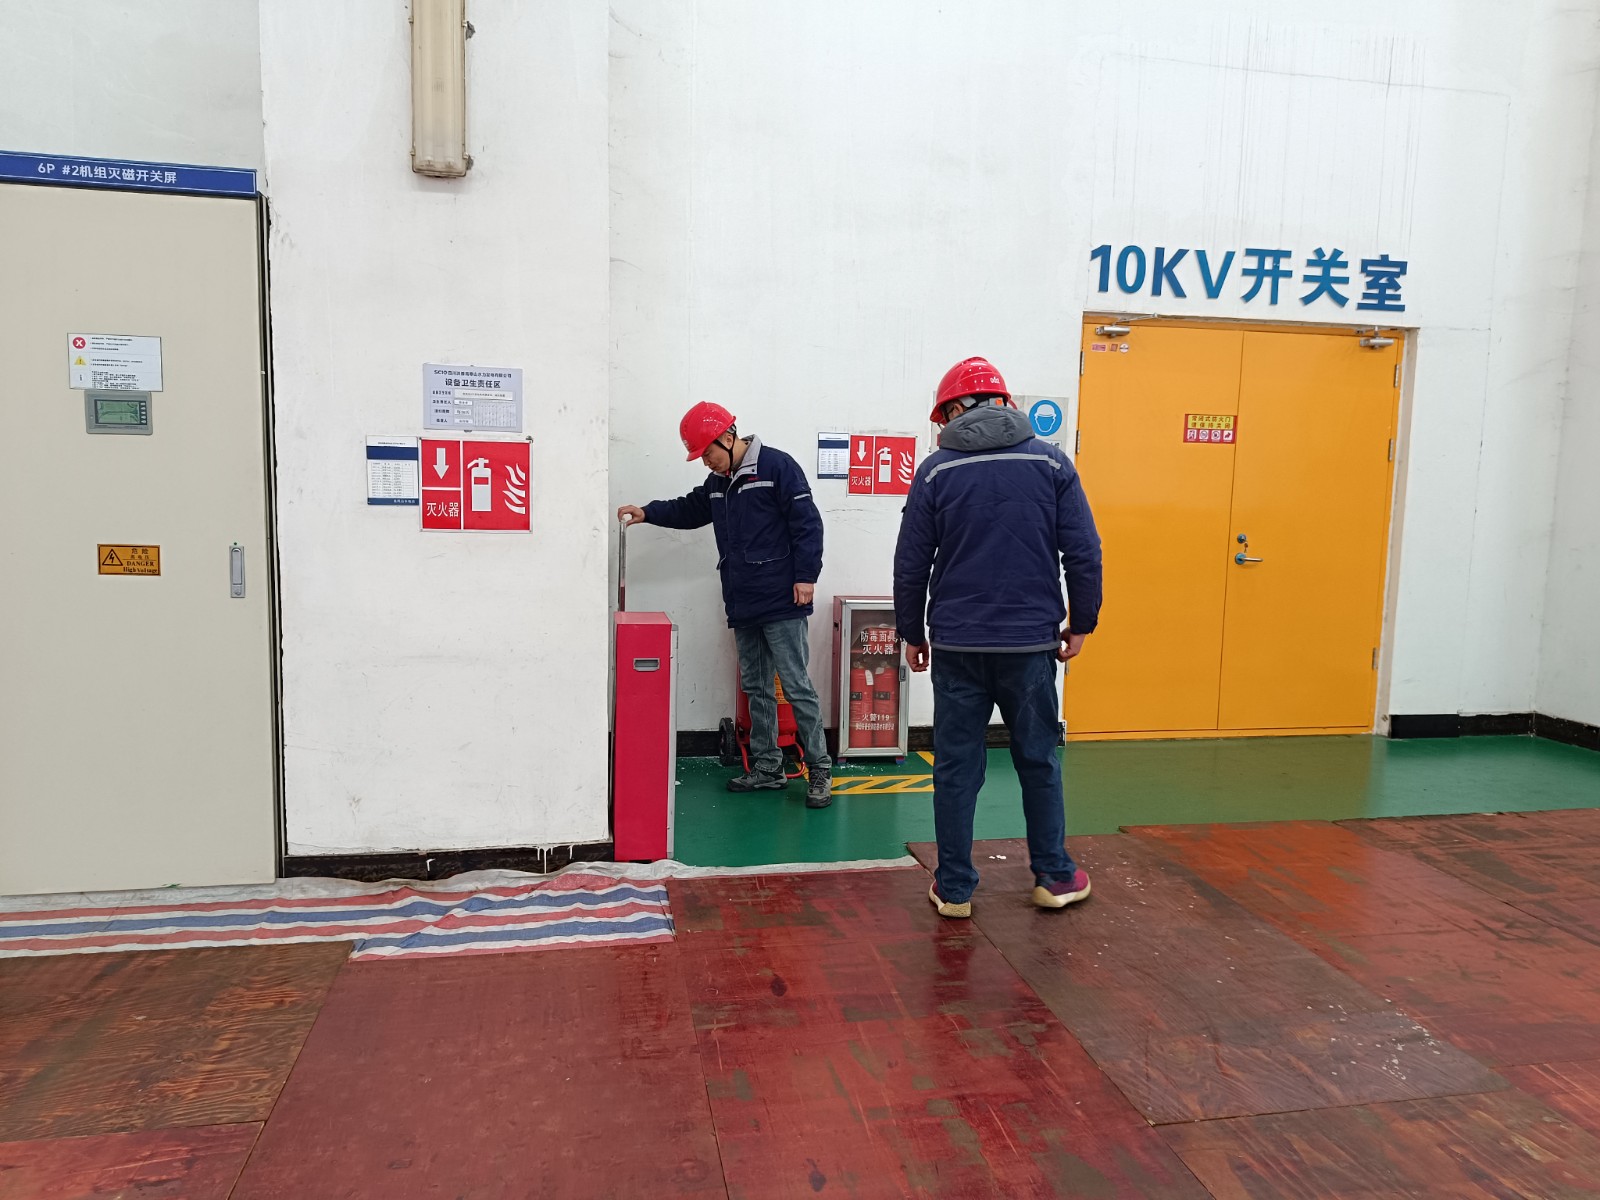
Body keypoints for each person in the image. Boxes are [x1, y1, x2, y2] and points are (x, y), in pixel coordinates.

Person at [893, 357, 1102, 917]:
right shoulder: (1051, 463)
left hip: (957, 646)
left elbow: (911, 561)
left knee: (956, 768)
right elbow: (1083, 551)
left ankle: (954, 888)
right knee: (1038, 759)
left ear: (955, 410)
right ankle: (1054, 876)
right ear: (1004, 402)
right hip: (1029, 645)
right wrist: (1082, 621)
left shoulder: (935, 471)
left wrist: (911, 630)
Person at [618, 402, 834, 808]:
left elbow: (807, 523)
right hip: (743, 598)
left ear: (728, 438)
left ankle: (819, 768)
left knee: (795, 686)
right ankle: (768, 768)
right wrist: (647, 512)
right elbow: (690, 508)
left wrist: (806, 576)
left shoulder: (777, 467)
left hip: (783, 599)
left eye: (708, 453)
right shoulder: (718, 482)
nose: (706, 462)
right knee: (756, 686)